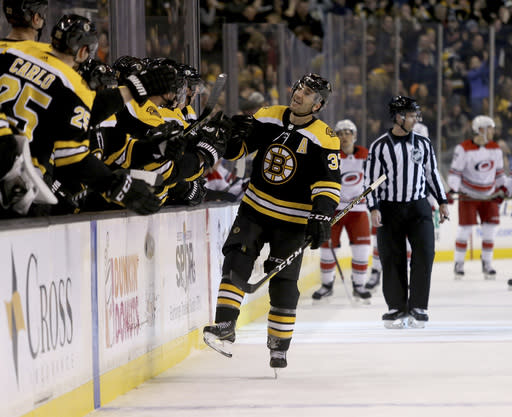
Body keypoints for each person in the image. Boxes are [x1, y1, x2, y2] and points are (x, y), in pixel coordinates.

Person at [203, 73, 341, 369]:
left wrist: (322, 213)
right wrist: (228, 137)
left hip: (293, 219)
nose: (299, 94)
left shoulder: (325, 137)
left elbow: (328, 184)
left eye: (308, 93)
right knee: (236, 260)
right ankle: (225, 325)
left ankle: (279, 345)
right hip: (254, 208)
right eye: (299, 88)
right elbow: (236, 152)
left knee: (284, 284)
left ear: (318, 105)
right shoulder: (268, 116)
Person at [0, 14, 177, 216]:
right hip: (19, 184)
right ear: (84, 51)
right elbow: (73, 159)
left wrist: (136, 89)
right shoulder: (74, 86)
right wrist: (118, 187)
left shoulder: (14, 50)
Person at [365, 96, 450, 329]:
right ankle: (396, 307)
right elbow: (370, 182)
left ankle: (418, 307)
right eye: (412, 115)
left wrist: (442, 201)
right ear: (398, 117)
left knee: (424, 254)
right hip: (389, 208)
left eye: (415, 115)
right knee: (392, 258)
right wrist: (373, 208)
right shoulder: (379, 146)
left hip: (418, 206)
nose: (415, 119)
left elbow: (432, 174)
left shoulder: (423, 144)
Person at [311, 119, 372, 302]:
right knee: (327, 250)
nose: (344, 136)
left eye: (348, 132)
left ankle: (359, 285)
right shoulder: (331, 156)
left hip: (358, 210)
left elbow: (372, 179)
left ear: (354, 136)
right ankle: (327, 285)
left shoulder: (366, 155)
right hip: (334, 211)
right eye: (340, 133)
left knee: (362, 249)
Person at [447, 115, 510, 280]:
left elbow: (498, 174)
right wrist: (452, 190)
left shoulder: (495, 148)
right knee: (464, 230)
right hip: (468, 195)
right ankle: (459, 263)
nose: (492, 131)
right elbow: (455, 173)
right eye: (489, 128)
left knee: (490, 230)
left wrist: (502, 188)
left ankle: (487, 263)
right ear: (480, 130)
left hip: (489, 195)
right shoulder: (463, 149)